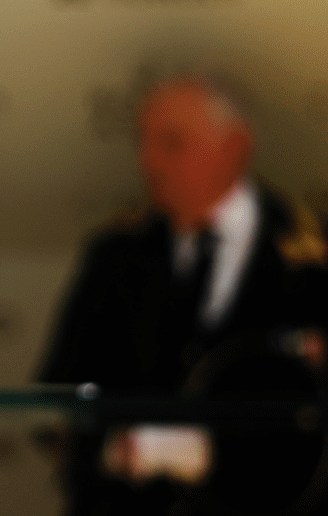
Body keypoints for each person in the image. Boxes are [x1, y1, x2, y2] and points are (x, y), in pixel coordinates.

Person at [40, 77, 328, 515]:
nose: (149, 161)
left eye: (171, 143)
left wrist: (213, 455)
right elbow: (58, 398)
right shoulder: (116, 255)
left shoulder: (311, 260)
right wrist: (119, 448)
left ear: (235, 146)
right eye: (143, 143)